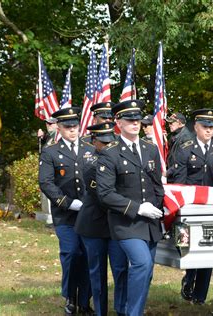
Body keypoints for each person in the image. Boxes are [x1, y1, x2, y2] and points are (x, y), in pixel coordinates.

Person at [96, 100, 164, 316]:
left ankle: (127, 309)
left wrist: (161, 208)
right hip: (125, 222)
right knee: (142, 264)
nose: (135, 123)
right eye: (130, 119)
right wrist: (137, 208)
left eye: (138, 119)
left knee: (147, 272)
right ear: (118, 122)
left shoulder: (150, 149)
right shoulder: (110, 153)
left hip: (150, 222)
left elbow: (157, 185)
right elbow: (105, 193)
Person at [38, 107, 94, 315]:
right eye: (67, 127)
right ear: (59, 128)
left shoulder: (90, 148)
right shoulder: (51, 151)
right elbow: (46, 181)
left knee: (88, 255)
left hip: (89, 214)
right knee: (71, 253)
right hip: (66, 214)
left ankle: (85, 300)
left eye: (75, 126)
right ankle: (70, 296)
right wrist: (66, 202)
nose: (72, 130)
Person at [171, 108, 213, 304]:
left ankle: (200, 296)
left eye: (212, 127)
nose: (209, 130)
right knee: (191, 248)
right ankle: (189, 277)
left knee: (208, 248)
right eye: (205, 127)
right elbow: (180, 181)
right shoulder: (185, 148)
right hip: (191, 207)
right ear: (196, 127)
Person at [74, 122, 120, 316]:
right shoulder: (91, 164)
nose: (108, 145)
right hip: (95, 225)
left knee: (120, 270)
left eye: (111, 141)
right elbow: (103, 196)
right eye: (104, 142)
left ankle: (122, 310)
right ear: (94, 141)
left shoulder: (118, 158)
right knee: (97, 273)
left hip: (116, 225)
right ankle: (100, 311)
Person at [166, 112, 191, 183]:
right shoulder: (175, 135)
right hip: (174, 175)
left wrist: (167, 172)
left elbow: (182, 162)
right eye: (169, 123)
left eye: (171, 123)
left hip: (181, 178)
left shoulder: (186, 138)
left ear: (180, 123)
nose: (169, 125)